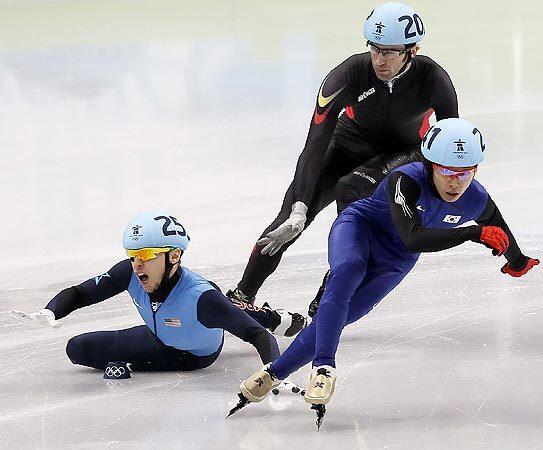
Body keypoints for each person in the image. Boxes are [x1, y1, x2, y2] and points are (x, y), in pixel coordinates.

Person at [230, 118, 539, 427]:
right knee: (347, 272)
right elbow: (412, 236)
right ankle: (324, 366)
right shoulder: (405, 179)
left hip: (396, 261)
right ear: (430, 164)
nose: (455, 182)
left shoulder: (477, 199)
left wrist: (517, 261)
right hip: (360, 229)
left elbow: (500, 231)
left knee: (343, 315)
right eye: (446, 170)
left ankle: (271, 374)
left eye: (465, 172)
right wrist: (470, 233)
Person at [227, 2, 459, 315]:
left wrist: (443, 195)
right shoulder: (347, 74)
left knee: (351, 189)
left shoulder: (433, 78)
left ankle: (336, 281)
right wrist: (300, 208)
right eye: (374, 49)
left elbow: (449, 144)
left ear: (412, 50)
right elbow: (314, 144)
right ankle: (242, 295)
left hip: (403, 151)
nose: (380, 60)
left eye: (389, 51)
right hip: (348, 143)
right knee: (288, 219)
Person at [11, 211, 306, 374]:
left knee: (222, 307)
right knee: (77, 349)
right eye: (132, 254)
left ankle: (268, 316)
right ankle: (248, 311)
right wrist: (50, 310)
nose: (137, 264)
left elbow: (256, 336)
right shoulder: (129, 272)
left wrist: (274, 374)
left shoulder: (201, 299)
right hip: (161, 333)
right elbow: (80, 292)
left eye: (147, 254)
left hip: (192, 355)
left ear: (174, 256)